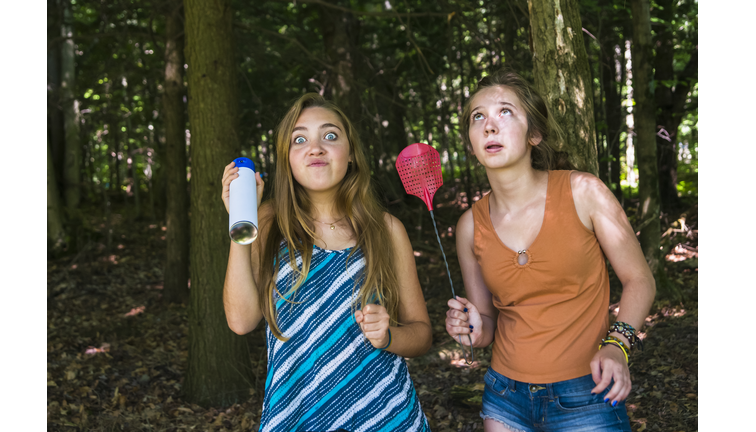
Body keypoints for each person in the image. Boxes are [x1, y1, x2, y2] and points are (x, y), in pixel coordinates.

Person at [444, 69, 656, 432]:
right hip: (505, 397)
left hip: (589, 391)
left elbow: (640, 280)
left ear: (535, 135)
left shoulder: (584, 192)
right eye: (478, 117)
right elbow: (486, 324)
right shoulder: (469, 226)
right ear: (471, 140)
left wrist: (617, 345)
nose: (489, 126)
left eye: (505, 112)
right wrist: (471, 328)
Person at [221, 93, 432, 432]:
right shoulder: (269, 222)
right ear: (287, 159)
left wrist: (389, 335)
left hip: (386, 416)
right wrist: (240, 221)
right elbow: (241, 321)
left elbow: (421, 334)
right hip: (298, 415)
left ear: (350, 155)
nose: (315, 148)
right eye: (299, 139)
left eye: (330, 136)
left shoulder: (387, 230)